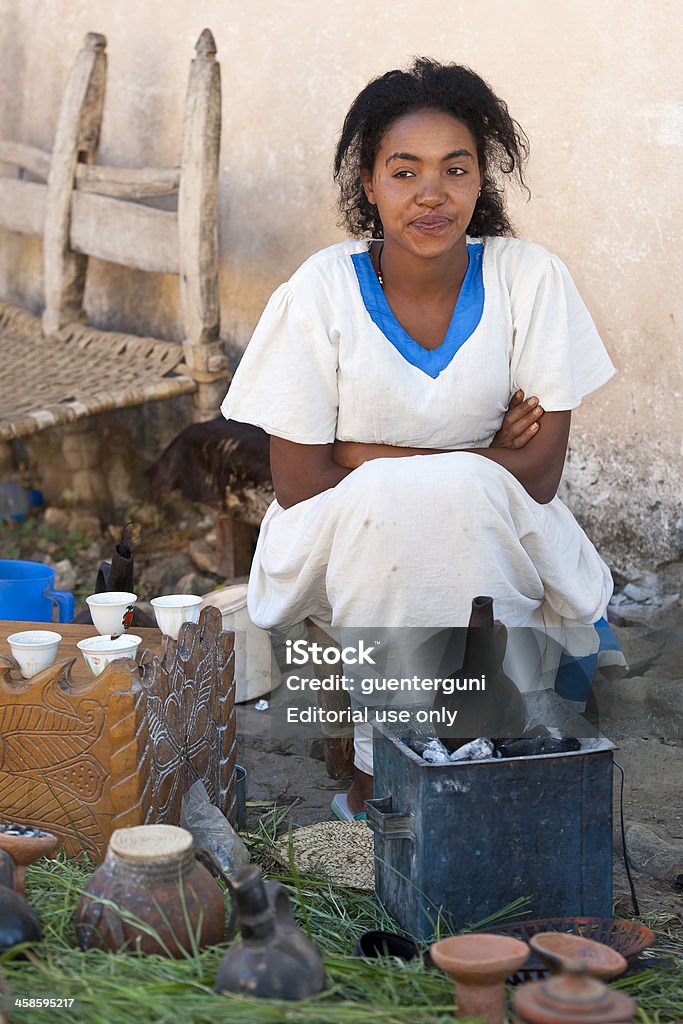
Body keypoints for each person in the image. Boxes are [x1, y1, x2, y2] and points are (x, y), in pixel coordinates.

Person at [221, 58, 616, 819]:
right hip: (343, 539)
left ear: (480, 180)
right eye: (403, 172)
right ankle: (383, 763)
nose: (430, 194)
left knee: (438, 494)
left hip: (496, 527)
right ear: (367, 184)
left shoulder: (528, 280)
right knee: (409, 497)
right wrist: (481, 458)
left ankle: (478, 745)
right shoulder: (320, 289)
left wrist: (358, 453)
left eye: (454, 170)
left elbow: (535, 476)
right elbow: (302, 483)